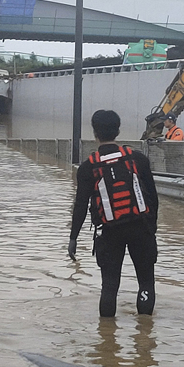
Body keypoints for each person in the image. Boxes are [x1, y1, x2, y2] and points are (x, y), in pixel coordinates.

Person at [68, 110, 159, 317]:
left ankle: (107, 341)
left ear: (94, 133)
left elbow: (80, 205)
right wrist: (152, 229)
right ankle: (145, 339)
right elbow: (153, 198)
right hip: (140, 227)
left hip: (109, 232)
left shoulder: (87, 168)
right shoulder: (138, 159)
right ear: (118, 130)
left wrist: (73, 238)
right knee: (146, 282)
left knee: (109, 287)